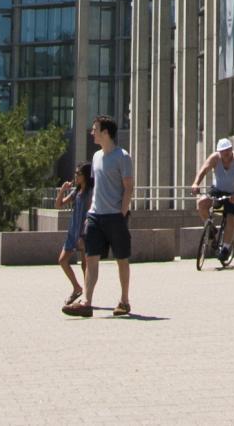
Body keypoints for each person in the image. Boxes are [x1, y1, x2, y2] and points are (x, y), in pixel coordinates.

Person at [70, 116, 134, 319]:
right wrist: (89, 213)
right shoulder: (96, 157)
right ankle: (86, 303)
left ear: (105, 132)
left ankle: (124, 301)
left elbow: (128, 188)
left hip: (115, 217)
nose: (92, 133)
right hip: (96, 217)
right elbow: (96, 188)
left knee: (121, 259)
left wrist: (121, 215)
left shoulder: (122, 156)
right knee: (90, 258)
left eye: (95, 129)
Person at [192, 137, 234, 259]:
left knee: (231, 219)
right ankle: (211, 229)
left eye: (228, 151)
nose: (226, 154)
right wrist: (196, 183)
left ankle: (226, 248)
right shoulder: (215, 158)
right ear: (219, 152)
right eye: (223, 151)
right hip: (218, 190)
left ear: (231, 150)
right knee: (201, 203)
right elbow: (204, 169)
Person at [54, 163, 93, 312]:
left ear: (85, 176)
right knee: (62, 260)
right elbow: (58, 205)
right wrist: (63, 190)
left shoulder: (89, 192)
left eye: (78, 174)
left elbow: (90, 212)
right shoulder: (76, 192)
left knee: (85, 265)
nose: (76, 176)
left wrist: (83, 233)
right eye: (75, 174)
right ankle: (77, 287)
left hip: (83, 233)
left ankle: (87, 296)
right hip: (72, 231)